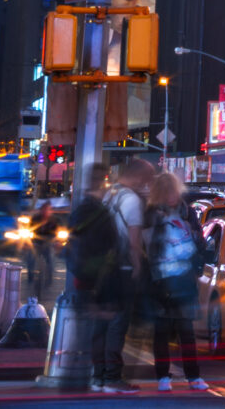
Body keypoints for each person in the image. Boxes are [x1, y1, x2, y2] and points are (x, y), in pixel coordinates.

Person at [66, 166, 135, 394]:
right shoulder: (99, 211)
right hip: (101, 279)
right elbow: (107, 246)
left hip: (84, 277)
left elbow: (73, 243)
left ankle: (96, 377)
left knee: (96, 329)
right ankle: (109, 378)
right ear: (104, 181)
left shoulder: (81, 209)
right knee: (109, 327)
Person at [143, 172, 207, 393]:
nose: (172, 195)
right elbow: (148, 246)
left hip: (184, 279)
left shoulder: (186, 212)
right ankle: (163, 376)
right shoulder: (152, 215)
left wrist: (194, 239)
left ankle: (193, 376)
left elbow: (199, 240)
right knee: (162, 330)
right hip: (160, 279)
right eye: (168, 191)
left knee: (186, 330)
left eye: (174, 190)